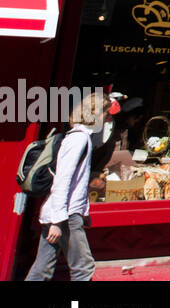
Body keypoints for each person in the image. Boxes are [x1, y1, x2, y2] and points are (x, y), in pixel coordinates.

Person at [26, 91, 115, 281]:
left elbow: (74, 181)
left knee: (42, 269)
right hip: (66, 215)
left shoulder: (78, 137)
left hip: (62, 212)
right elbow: (63, 180)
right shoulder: (79, 139)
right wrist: (58, 222)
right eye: (105, 114)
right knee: (83, 268)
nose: (107, 119)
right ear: (95, 113)